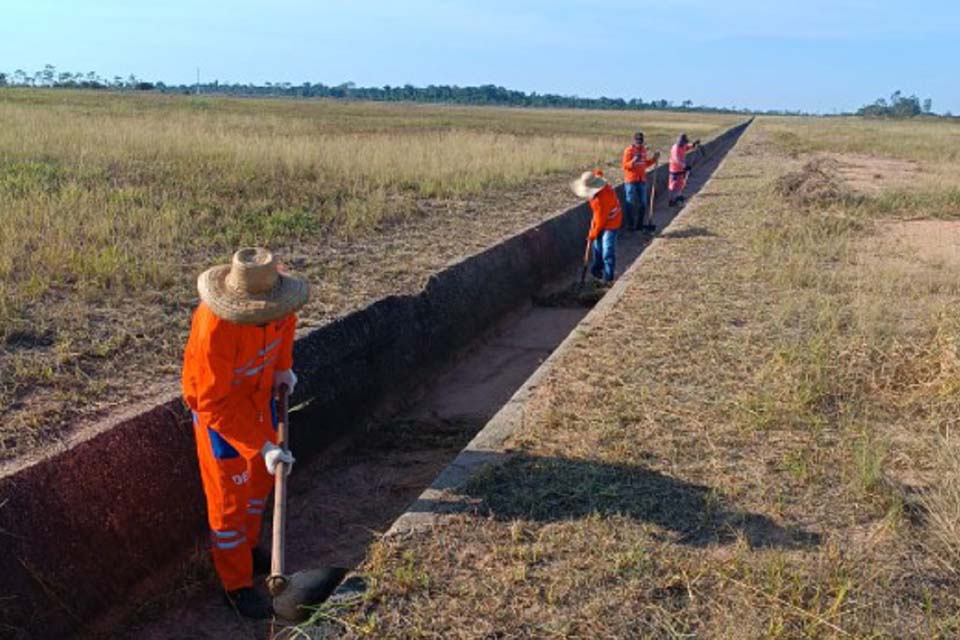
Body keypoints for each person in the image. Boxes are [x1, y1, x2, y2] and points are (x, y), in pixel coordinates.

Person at [182, 247, 309, 619]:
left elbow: (285, 332)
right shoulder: (215, 329)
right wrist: (262, 446)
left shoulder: (280, 302)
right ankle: (235, 584)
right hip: (221, 416)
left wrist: (283, 370)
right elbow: (212, 404)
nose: (271, 317)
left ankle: (249, 547)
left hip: (260, 400)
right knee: (229, 504)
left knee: (258, 485)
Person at [571, 169, 623, 284]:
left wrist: (592, 234)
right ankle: (596, 272)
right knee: (597, 247)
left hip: (611, 221)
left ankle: (609, 278)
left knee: (607, 249)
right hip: (601, 218)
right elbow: (598, 173)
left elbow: (601, 220)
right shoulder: (595, 189)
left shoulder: (602, 199)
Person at [621, 132, 660, 231]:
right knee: (630, 203)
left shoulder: (643, 150)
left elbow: (644, 164)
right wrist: (633, 161)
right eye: (637, 140)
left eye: (641, 140)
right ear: (634, 140)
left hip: (641, 180)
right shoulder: (628, 151)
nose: (639, 142)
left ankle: (639, 225)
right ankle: (630, 225)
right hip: (631, 180)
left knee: (643, 203)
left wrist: (654, 159)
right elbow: (625, 166)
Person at [668, 133, 701, 207]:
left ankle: (677, 198)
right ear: (680, 141)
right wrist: (685, 166)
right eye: (684, 142)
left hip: (681, 170)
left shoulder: (683, 146)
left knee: (680, 185)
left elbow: (687, 147)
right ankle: (671, 200)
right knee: (673, 186)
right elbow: (676, 160)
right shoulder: (675, 148)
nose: (685, 144)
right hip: (674, 170)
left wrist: (693, 145)